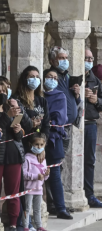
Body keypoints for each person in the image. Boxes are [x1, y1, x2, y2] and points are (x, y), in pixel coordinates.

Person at [46, 46, 81, 214]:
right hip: (54, 131)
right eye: (61, 57)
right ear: (52, 61)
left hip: (65, 128)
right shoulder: (53, 78)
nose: (65, 60)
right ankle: (54, 204)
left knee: (58, 166)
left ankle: (57, 203)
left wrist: (77, 94)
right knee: (54, 167)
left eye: (66, 57)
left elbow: (70, 100)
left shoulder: (66, 76)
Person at [0, 80, 26, 231]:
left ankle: (13, 226)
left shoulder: (12, 110)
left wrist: (18, 129)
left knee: (13, 192)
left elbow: (18, 136)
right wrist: (8, 117)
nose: (1, 93)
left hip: (13, 155)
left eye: (3, 90)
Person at [43, 69, 73, 220]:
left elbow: (60, 117)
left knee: (54, 175)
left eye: (55, 78)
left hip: (54, 140)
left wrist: (49, 123)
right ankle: (44, 207)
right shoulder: (39, 96)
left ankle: (60, 207)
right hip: (38, 138)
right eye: (49, 77)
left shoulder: (60, 95)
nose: (53, 80)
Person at [22, 133, 52, 231]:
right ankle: (25, 227)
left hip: (39, 189)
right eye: (36, 144)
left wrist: (46, 175)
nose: (39, 147)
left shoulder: (43, 159)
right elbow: (24, 173)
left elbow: (44, 176)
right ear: (31, 144)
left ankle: (39, 227)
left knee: (37, 209)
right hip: (29, 188)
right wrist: (35, 176)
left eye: (41, 145)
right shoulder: (27, 158)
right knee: (27, 208)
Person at [83, 48, 102, 207]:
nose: (89, 61)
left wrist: (96, 101)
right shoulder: (70, 79)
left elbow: (101, 103)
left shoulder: (95, 80)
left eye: (91, 58)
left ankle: (89, 194)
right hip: (72, 125)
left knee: (89, 160)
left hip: (90, 123)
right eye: (86, 58)